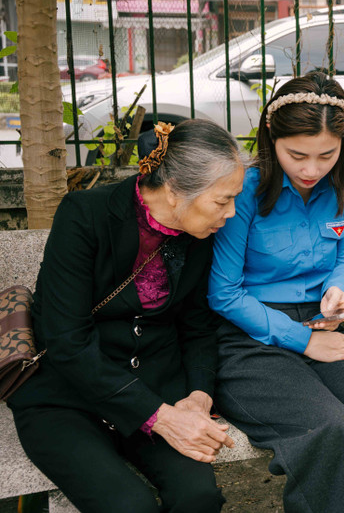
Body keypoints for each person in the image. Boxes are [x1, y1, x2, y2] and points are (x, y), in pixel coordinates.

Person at [8, 119, 249, 513]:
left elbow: (198, 326)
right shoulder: (85, 215)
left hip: (157, 388)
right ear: (173, 191)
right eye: (223, 200)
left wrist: (198, 397)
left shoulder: (201, 230)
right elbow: (65, 339)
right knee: (128, 506)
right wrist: (160, 417)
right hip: (67, 396)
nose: (232, 212)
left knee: (199, 497)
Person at [208, 72, 344, 513]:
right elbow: (224, 294)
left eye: (327, 155)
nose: (312, 169)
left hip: (321, 322)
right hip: (249, 335)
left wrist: (338, 289)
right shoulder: (245, 192)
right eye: (297, 155)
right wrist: (305, 341)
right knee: (325, 425)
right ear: (272, 139)